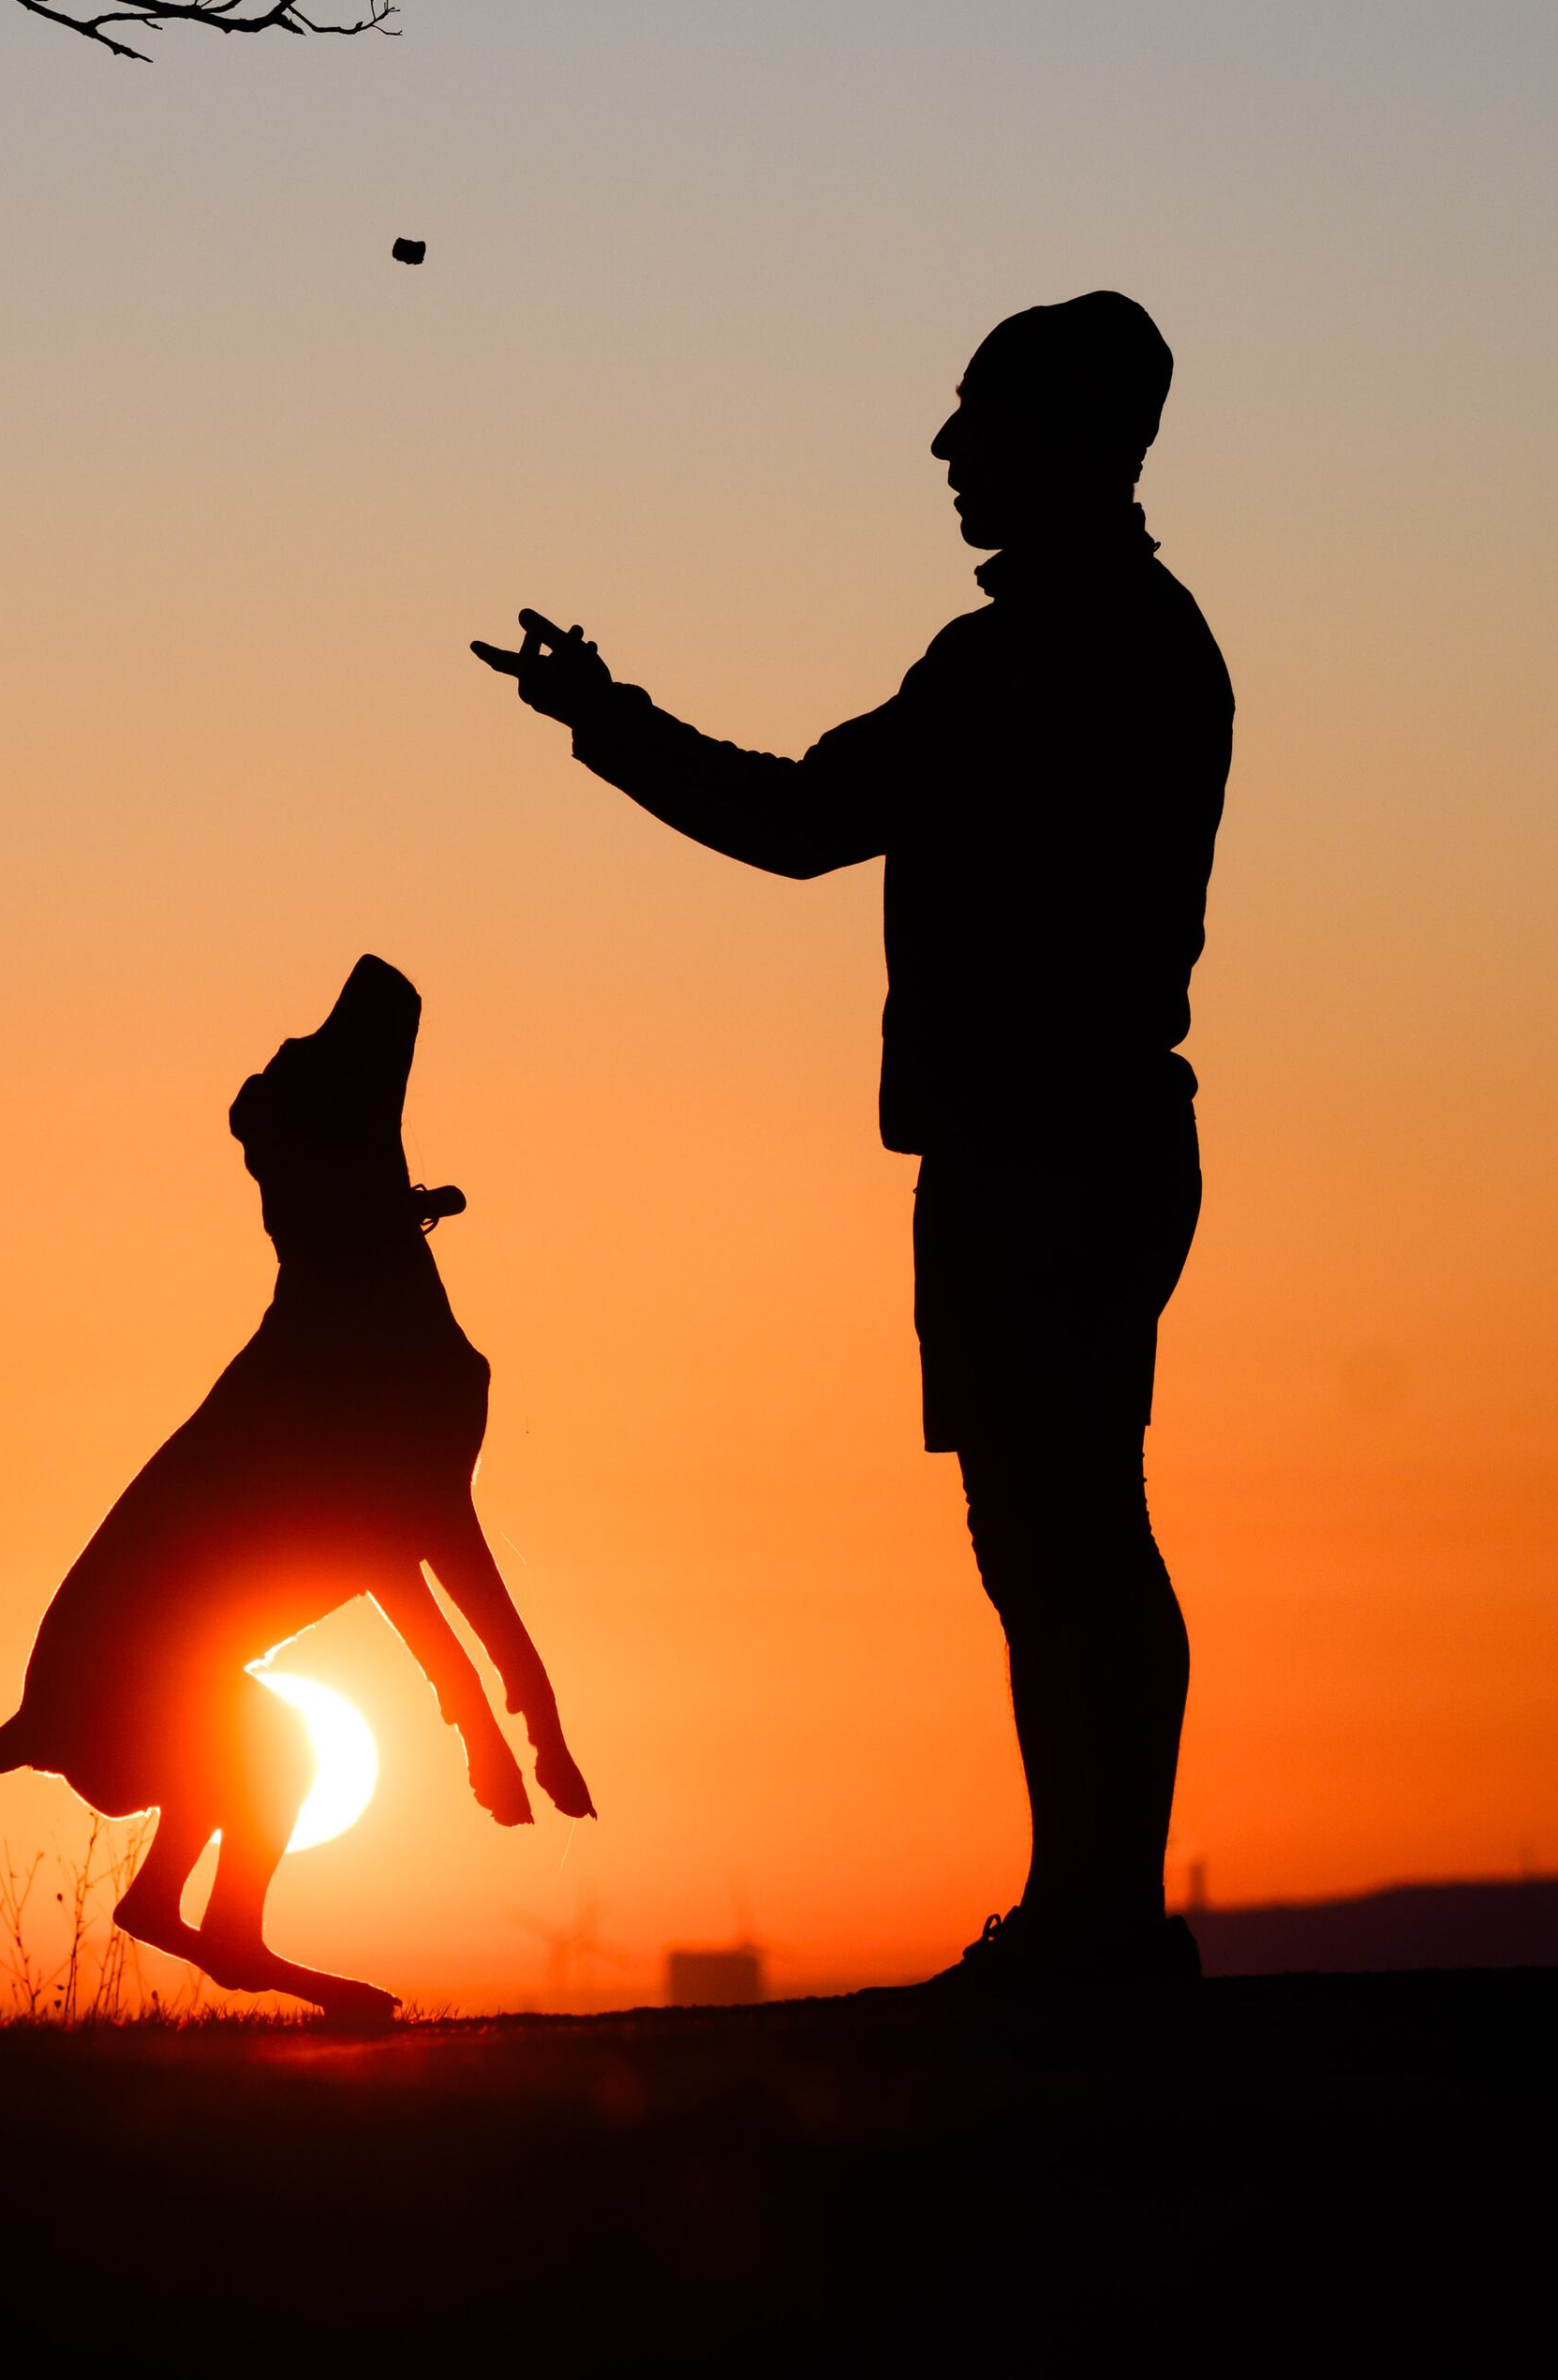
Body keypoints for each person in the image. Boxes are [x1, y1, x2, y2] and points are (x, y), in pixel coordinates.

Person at [476, 291, 1231, 1990]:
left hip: (1050, 1153)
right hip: (1050, 1145)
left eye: (980, 419)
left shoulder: (1045, 656)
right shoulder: (1104, 641)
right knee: (1051, 1530)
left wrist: (604, 722)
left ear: (1072, 441)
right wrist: (613, 717)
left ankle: (1098, 1919)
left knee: (1066, 1530)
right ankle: (1090, 1911)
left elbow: (804, 822)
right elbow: (815, 816)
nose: (949, 452)